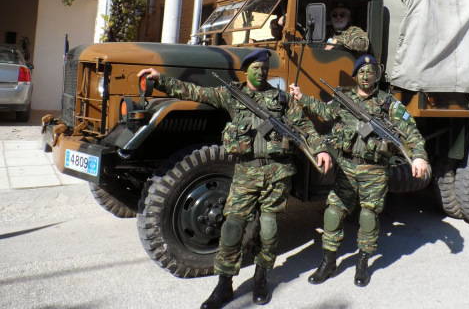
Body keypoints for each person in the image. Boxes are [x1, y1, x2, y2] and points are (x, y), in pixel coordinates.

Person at [137, 49, 332, 309]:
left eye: (265, 67)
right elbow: (194, 92)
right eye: (256, 67)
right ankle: (224, 284)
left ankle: (261, 277)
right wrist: (160, 79)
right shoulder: (232, 95)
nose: (261, 71)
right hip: (246, 173)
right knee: (231, 228)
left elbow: (305, 126)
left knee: (269, 229)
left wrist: (320, 148)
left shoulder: (282, 99)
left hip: (278, 172)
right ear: (246, 69)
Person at [289, 55, 428, 287]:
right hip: (345, 167)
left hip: (374, 170)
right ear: (356, 76)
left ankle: (363, 262)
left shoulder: (388, 103)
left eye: (370, 71)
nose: (365, 76)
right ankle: (328, 262)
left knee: (368, 216)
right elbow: (324, 110)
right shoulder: (344, 99)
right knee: (333, 213)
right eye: (361, 72)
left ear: (376, 74)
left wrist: (419, 156)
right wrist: (302, 97)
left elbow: (410, 130)